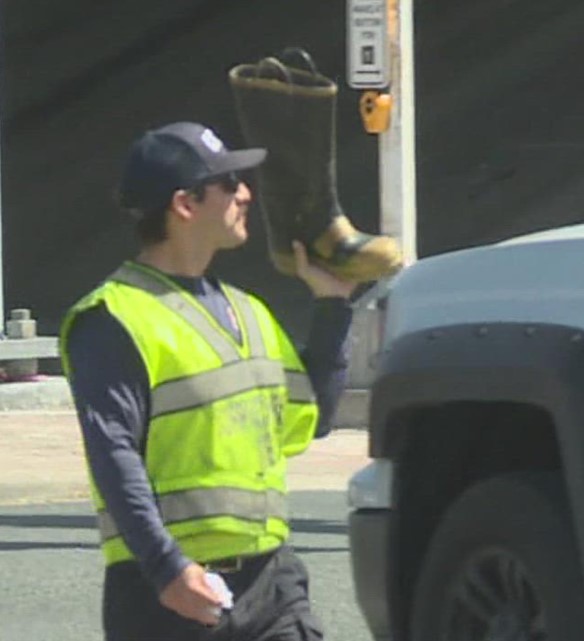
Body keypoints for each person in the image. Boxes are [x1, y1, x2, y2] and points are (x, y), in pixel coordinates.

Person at [61, 121, 367, 640]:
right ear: (184, 204)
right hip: (170, 595)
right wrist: (167, 570)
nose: (246, 194)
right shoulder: (113, 319)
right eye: (229, 185)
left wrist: (333, 305)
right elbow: (114, 453)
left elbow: (310, 418)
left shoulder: (250, 313)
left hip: (272, 583)